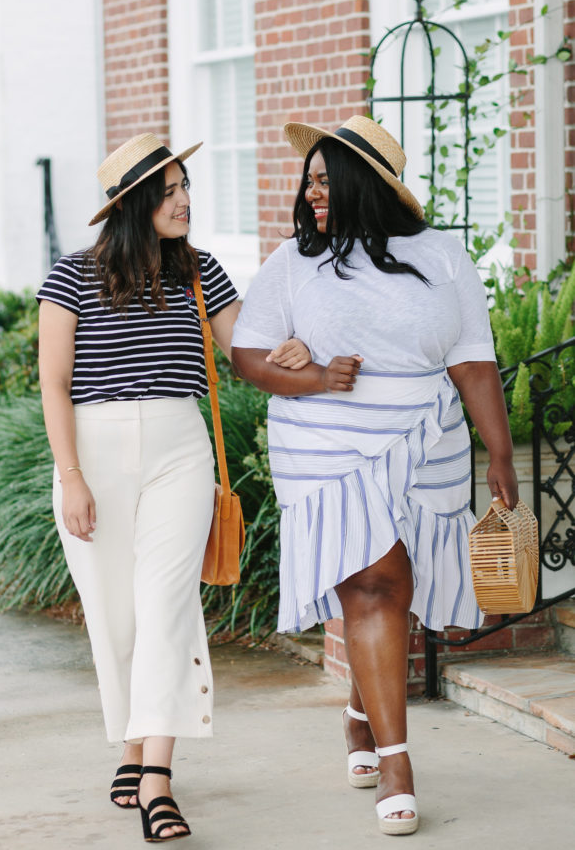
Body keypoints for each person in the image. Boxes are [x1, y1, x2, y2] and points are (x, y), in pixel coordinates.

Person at [231, 114, 518, 837]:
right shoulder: (295, 261)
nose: (312, 193)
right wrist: (320, 377)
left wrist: (502, 452)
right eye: (310, 181)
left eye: (326, 180)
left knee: (400, 586)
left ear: (367, 183)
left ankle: (363, 709)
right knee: (372, 582)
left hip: (428, 438)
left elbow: (473, 358)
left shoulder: (443, 255)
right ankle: (398, 762)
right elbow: (247, 355)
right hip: (327, 439)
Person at [37, 132, 310, 842]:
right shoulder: (70, 277)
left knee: (165, 605)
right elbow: (53, 386)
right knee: (117, 615)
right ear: (132, 204)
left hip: (179, 449)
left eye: (187, 186)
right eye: (169, 191)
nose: (185, 200)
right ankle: (135, 743)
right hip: (91, 451)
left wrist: (292, 347)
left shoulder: (201, 272)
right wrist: (70, 477)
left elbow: (243, 352)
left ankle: (156, 773)